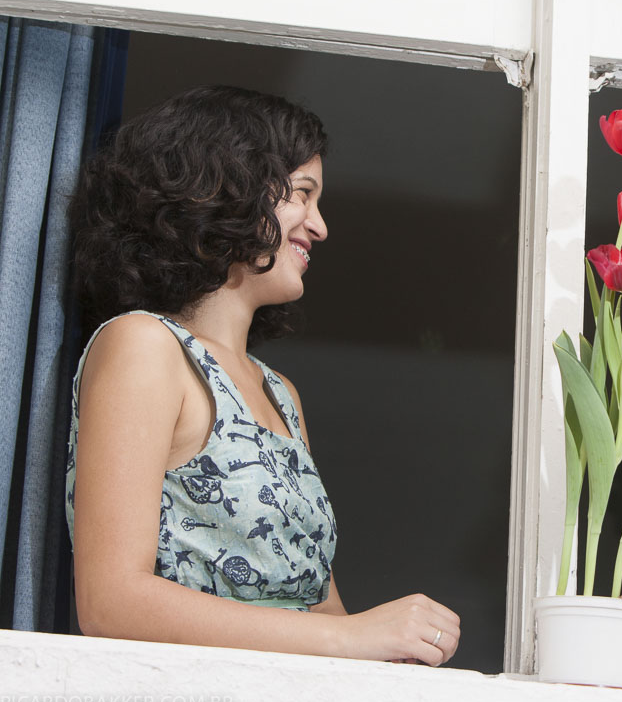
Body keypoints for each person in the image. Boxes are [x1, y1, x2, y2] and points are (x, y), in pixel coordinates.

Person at [65, 85, 460, 664]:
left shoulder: (280, 393)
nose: (320, 227)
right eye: (303, 194)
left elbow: (318, 608)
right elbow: (110, 601)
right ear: (223, 188)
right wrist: (351, 637)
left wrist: (395, 649)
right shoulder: (144, 346)